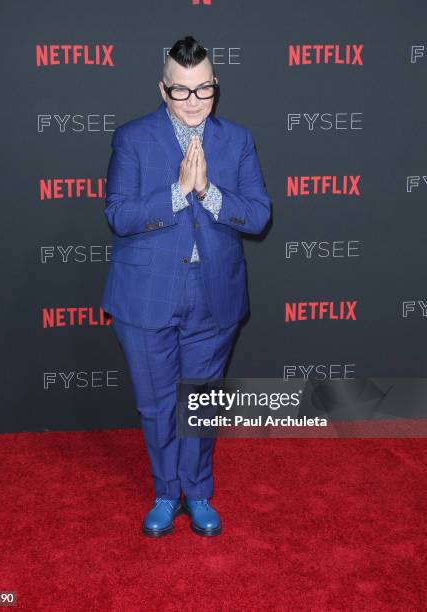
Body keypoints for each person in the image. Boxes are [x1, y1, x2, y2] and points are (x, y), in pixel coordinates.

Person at [101, 35, 272, 537]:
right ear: (163, 88)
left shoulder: (237, 140)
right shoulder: (133, 139)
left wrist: (210, 194)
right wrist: (177, 193)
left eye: (205, 89)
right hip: (146, 294)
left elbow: (259, 215)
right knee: (156, 404)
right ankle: (165, 491)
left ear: (216, 86)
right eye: (182, 91)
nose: (195, 101)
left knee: (197, 402)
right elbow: (118, 214)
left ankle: (196, 492)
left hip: (213, 293)